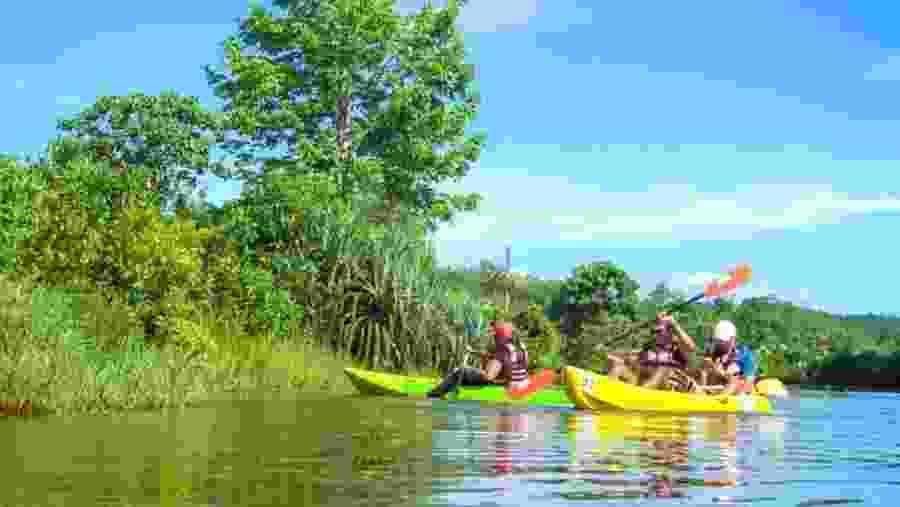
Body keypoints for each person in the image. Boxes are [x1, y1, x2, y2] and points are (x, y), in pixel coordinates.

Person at [427, 321, 529, 398]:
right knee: (465, 374)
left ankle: (433, 395)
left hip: (510, 386)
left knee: (461, 371)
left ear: (500, 336)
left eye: (495, 335)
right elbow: (497, 359)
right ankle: (452, 386)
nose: (494, 337)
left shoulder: (502, 350)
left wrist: (470, 370)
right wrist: (473, 352)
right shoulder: (519, 347)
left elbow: (489, 376)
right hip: (523, 383)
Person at [609, 312, 697, 389]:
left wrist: (674, 324)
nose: (655, 335)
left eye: (659, 331)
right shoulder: (648, 349)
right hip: (642, 387)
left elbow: (691, 347)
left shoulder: (675, 349)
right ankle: (609, 395)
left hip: (665, 391)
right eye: (653, 332)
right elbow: (625, 355)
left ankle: (639, 395)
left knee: (663, 368)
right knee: (618, 366)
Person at [700, 320, 756, 395]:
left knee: (735, 381)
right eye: (718, 341)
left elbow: (748, 384)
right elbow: (704, 375)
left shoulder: (745, 355)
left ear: (732, 339)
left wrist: (725, 375)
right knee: (705, 373)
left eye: (723, 341)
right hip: (715, 390)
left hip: (736, 394)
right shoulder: (713, 353)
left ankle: (717, 401)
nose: (720, 344)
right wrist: (706, 372)